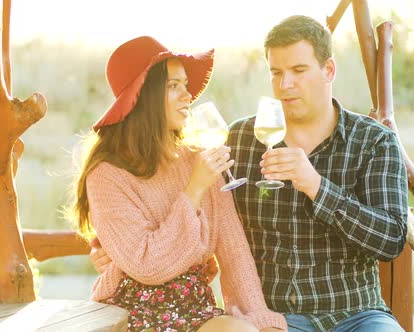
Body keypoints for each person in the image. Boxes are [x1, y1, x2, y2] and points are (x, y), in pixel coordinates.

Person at [91, 16, 408, 331]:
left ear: (329, 70)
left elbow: (391, 240)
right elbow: (203, 227)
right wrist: (109, 247)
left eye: (298, 71)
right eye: (277, 73)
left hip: (358, 314)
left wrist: (317, 187)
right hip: (280, 314)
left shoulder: (373, 141)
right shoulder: (240, 141)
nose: (286, 85)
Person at [73, 35, 286, 332]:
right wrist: (194, 189)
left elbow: (233, 250)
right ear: (142, 96)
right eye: (173, 86)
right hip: (130, 312)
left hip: (194, 308)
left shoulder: (197, 159)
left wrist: (261, 320)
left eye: (185, 85)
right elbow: (148, 265)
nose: (188, 96)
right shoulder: (107, 175)